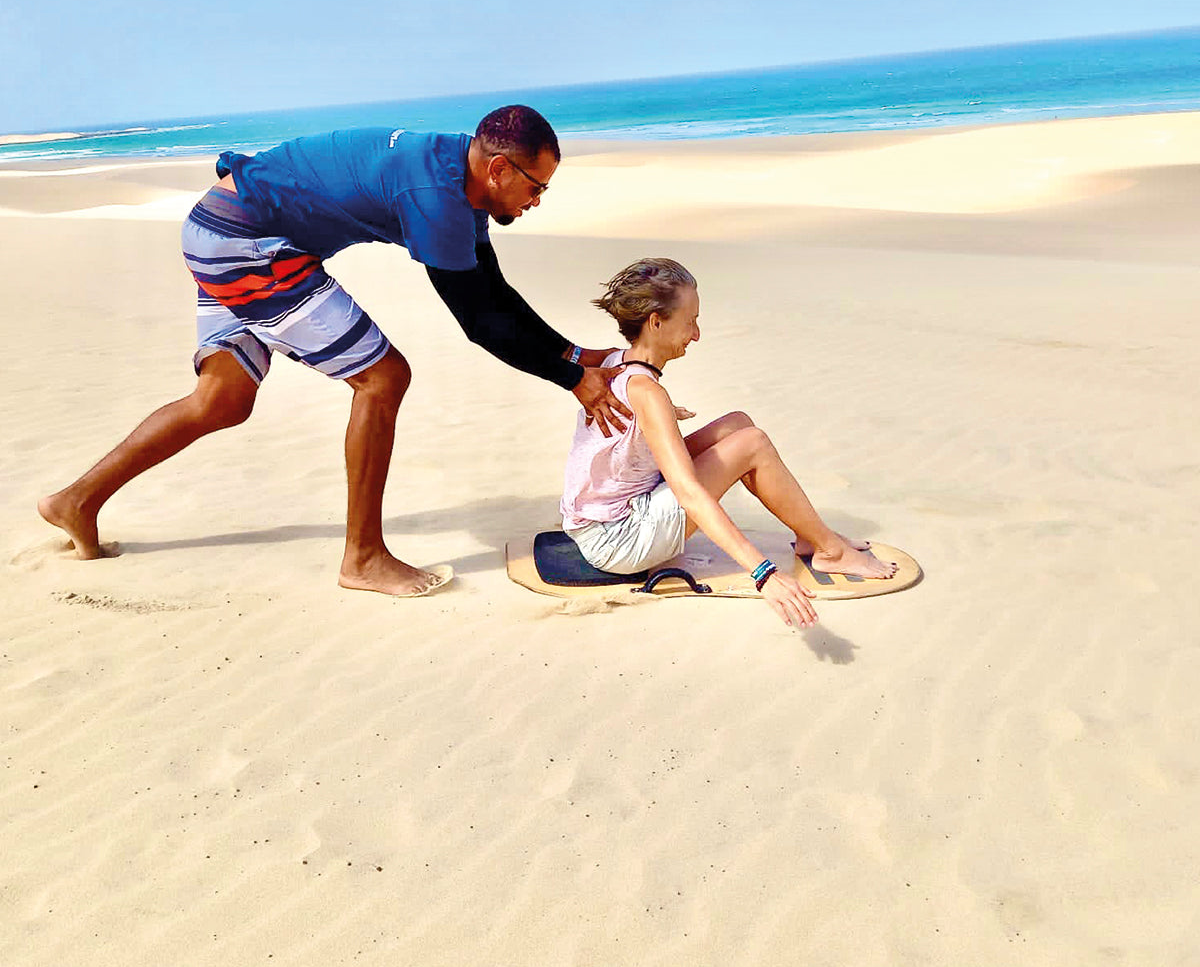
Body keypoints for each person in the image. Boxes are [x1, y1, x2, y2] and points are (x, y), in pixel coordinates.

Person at [39, 106, 630, 597]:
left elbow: (491, 288)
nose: (537, 200)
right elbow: (479, 321)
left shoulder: (459, 174)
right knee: (383, 378)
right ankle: (363, 557)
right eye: (536, 186)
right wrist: (572, 380)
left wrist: (573, 353)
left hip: (218, 228)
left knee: (221, 400)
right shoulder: (436, 195)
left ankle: (76, 501)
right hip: (247, 242)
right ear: (499, 168)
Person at [560, 258, 898, 628]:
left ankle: (809, 536)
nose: (696, 334)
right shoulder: (647, 391)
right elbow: (689, 493)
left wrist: (661, 414)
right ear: (656, 322)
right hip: (618, 541)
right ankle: (830, 551)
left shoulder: (615, 361)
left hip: (605, 518)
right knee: (752, 444)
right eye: (690, 321)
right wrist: (763, 573)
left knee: (737, 424)